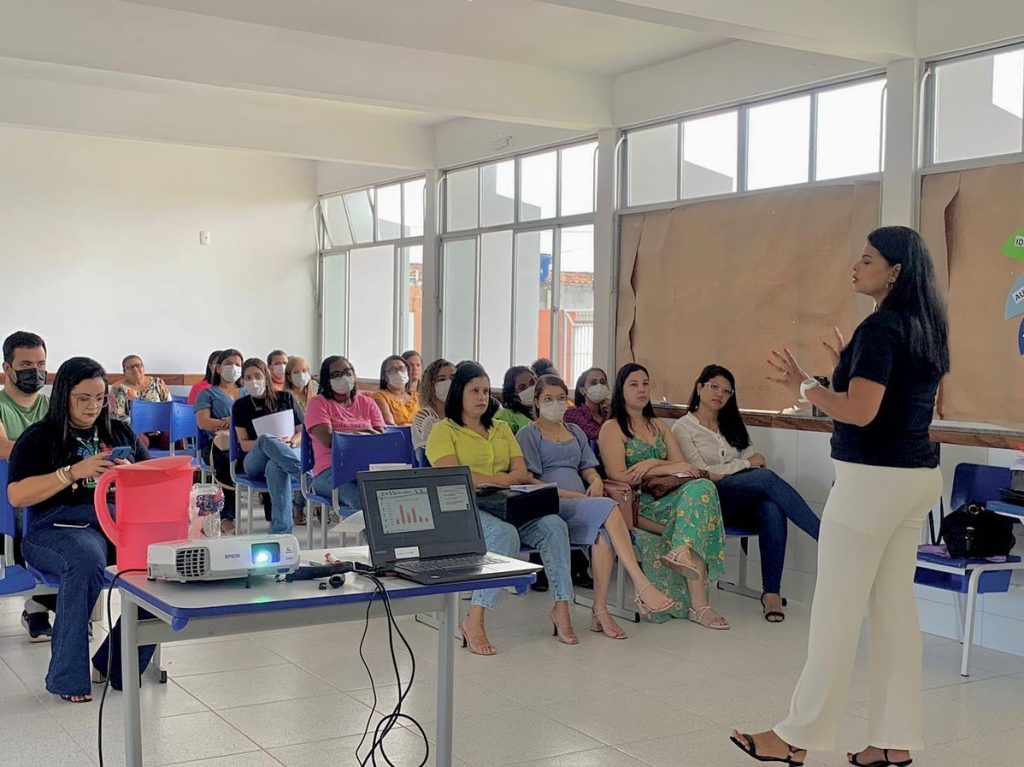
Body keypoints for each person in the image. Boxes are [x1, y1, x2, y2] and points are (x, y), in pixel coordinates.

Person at [731, 226, 949, 767]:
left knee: (835, 613)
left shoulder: (881, 328)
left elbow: (859, 412)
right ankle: (892, 741)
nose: (856, 266)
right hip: (914, 480)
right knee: (894, 613)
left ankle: (796, 736)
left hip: (872, 484)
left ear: (895, 271)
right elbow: (884, 402)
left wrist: (805, 386)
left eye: (868, 259)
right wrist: (840, 371)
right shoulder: (926, 326)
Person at [7, 357, 156, 702]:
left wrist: (130, 474)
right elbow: (16, 495)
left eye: (100, 398)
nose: (92, 406)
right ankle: (68, 677)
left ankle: (117, 663)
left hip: (114, 524)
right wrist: (72, 472)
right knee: (86, 558)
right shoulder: (39, 437)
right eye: (83, 398)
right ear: (64, 396)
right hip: (57, 527)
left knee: (161, 562)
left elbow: (153, 479)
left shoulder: (119, 432)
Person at [426, 362, 576, 655]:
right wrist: (501, 478)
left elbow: (521, 473)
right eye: (474, 391)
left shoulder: (502, 429)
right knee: (505, 534)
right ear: (459, 393)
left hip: (507, 505)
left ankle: (561, 608)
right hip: (463, 510)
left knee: (555, 526)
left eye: (485, 391)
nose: (482, 397)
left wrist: (491, 480)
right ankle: (474, 618)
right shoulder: (443, 430)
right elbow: (455, 477)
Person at [517, 375, 674, 638]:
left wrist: (596, 481)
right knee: (609, 508)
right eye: (548, 399)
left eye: (560, 398)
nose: (555, 404)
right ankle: (641, 583)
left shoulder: (575, 431)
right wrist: (570, 494)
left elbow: (588, 468)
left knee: (603, 538)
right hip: (552, 502)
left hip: (583, 504)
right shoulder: (528, 434)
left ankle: (599, 610)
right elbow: (529, 480)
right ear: (537, 402)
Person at [672, 364, 820, 622]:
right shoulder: (683, 428)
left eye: (726, 391)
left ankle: (771, 594)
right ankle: (823, 535)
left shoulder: (732, 424)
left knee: (771, 508)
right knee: (766, 478)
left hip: (739, 498)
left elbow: (755, 463)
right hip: (708, 498)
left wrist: (744, 466)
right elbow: (702, 472)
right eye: (714, 387)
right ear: (699, 388)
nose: (720, 394)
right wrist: (744, 464)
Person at [599, 363, 729, 630]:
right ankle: (699, 605)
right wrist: (659, 466)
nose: (641, 389)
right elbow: (619, 475)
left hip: (667, 498)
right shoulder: (612, 428)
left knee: (703, 487)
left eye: (645, 383)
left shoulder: (658, 425)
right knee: (697, 511)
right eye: (634, 384)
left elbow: (683, 467)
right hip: (637, 504)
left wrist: (650, 463)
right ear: (621, 390)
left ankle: (681, 550)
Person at [0, 330, 58, 642]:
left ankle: (46, 603)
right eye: (25, 365)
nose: (35, 371)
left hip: (50, 492)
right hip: (9, 497)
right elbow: (3, 448)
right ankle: (44, 604)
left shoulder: (52, 406)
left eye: (41, 364)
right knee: (30, 520)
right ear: (7, 368)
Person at [233, 358, 304, 533]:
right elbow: (244, 444)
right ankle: (306, 477)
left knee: (275, 466)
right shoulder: (240, 406)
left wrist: (291, 442)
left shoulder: (286, 398)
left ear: (266, 376)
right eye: (248, 377)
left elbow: (301, 433)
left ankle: (281, 531)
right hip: (254, 461)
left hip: (286, 453)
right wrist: (270, 442)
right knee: (265, 439)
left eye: (257, 376)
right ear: (243, 381)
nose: (253, 381)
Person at [305, 356, 386, 507]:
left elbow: (380, 438)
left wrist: (350, 436)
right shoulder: (317, 403)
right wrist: (364, 431)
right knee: (365, 503)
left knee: (389, 498)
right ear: (327, 380)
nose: (344, 377)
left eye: (348, 372)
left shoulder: (367, 402)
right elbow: (329, 440)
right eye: (337, 375)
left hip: (366, 468)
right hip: (330, 471)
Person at [194, 349, 244, 534]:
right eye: (228, 364)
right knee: (227, 459)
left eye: (238, 364)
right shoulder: (207, 393)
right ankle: (226, 517)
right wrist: (229, 422)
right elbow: (203, 422)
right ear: (218, 368)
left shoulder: (247, 392)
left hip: (244, 442)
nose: (233, 368)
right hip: (216, 444)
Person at [111, 355, 172, 449]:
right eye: (131, 367)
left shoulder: (158, 382)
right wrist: (145, 425)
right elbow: (117, 417)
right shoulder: (117, 388)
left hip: (159, 427)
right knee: (142, 443)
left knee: (175, 441)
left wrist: (157, 425)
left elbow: (169, 406)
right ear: (124, 371)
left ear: (143, 367)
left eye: (138, 365)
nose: (135, 369)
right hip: (134, 429)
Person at [411, 358, 454, 450]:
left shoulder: (463, 414)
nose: (449, 383)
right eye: (442, 379)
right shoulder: (425, 417)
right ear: (430, 385)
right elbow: (428, 453)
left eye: (452, 378)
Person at [565, 367, 611, 442]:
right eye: (593, 383)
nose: (599, 386)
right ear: (582, 390)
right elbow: (594, 436)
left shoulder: (607, 414)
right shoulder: (573, 414)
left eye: (603, 382)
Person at [371, 355, 419, 426]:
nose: (399, 373)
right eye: (392, 370)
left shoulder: (417, 397)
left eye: (402, 369)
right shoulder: (380, 396)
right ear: (385, 376)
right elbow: (390, 425)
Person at [494, 365, 535, 434]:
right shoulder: (505, 416)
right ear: (513, 394)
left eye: (532, 383)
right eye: (523, 388)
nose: (530, 388)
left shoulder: (546, 409)